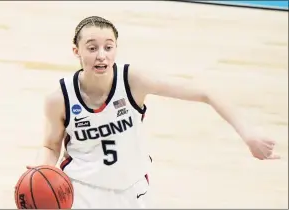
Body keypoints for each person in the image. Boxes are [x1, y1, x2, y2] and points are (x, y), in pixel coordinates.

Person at [30, 16, 280, 209]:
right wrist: (42, 172)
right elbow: (52, 146)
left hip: (132, 190)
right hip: (81, 191)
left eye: (108, 47)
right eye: (92, 48)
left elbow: (205, 92)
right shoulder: (59, 98)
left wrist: (248, 134)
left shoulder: (133, 81)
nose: (101, 56)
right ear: (77, 51)